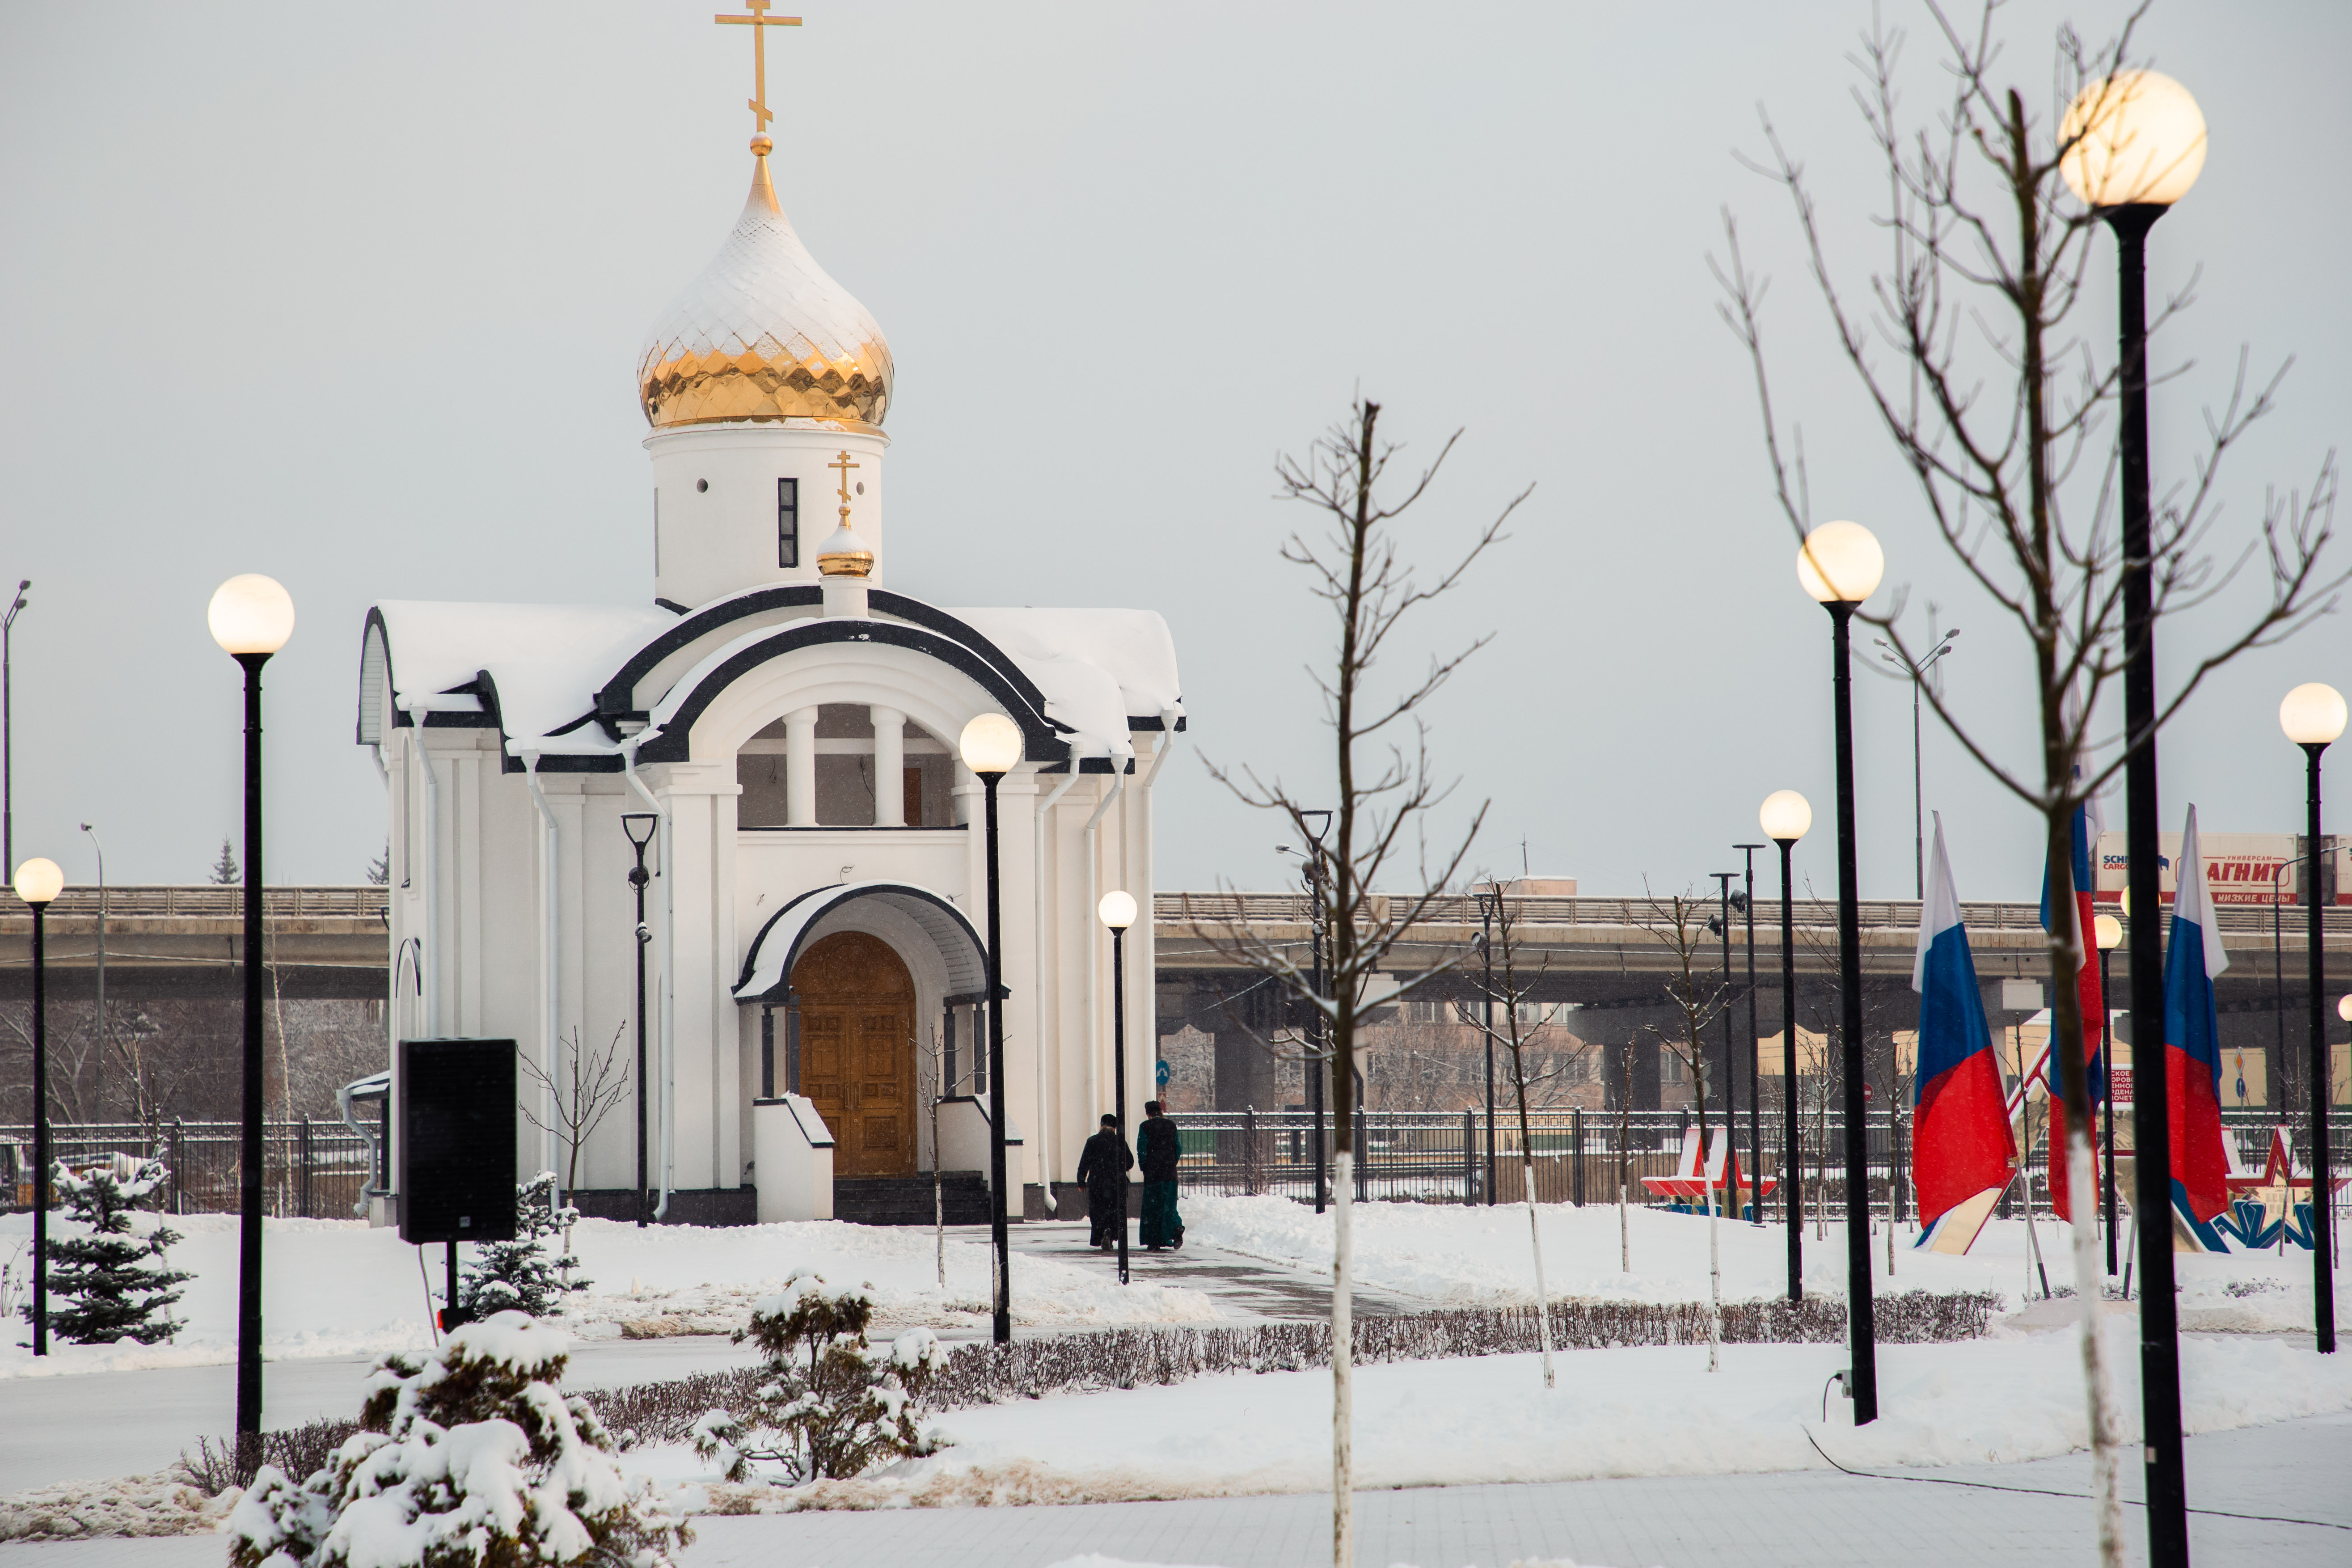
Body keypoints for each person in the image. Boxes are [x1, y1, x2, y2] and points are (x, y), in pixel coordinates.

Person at [1074, 1112, 1132, 1251]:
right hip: (1117, 1184)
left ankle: (1102, 1233)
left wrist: (1081, 1181)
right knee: (1115, 1211)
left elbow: (1084, 1163)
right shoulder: (1120, 1142)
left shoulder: (1092, 1141)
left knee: (1098, 1211)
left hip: (1097, 1183)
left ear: (1101, 1125)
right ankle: (1111, 1233)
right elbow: (1130, 1162)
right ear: (1115, 1127)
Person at [1136, 1100, 1184, 1250]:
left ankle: (1154, 1241)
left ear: (1148, 1113)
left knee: (1153, 1208)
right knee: (1169, 1206)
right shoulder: (1171, 1126)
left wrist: (1145, 1168)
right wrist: (1171, 1163)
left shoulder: (1145, 1127)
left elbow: (1142, 1150)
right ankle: (1176, 1227)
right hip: (1170, 1175)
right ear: (1161, 1111)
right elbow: (1178, 1148)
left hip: (1153, 1176)